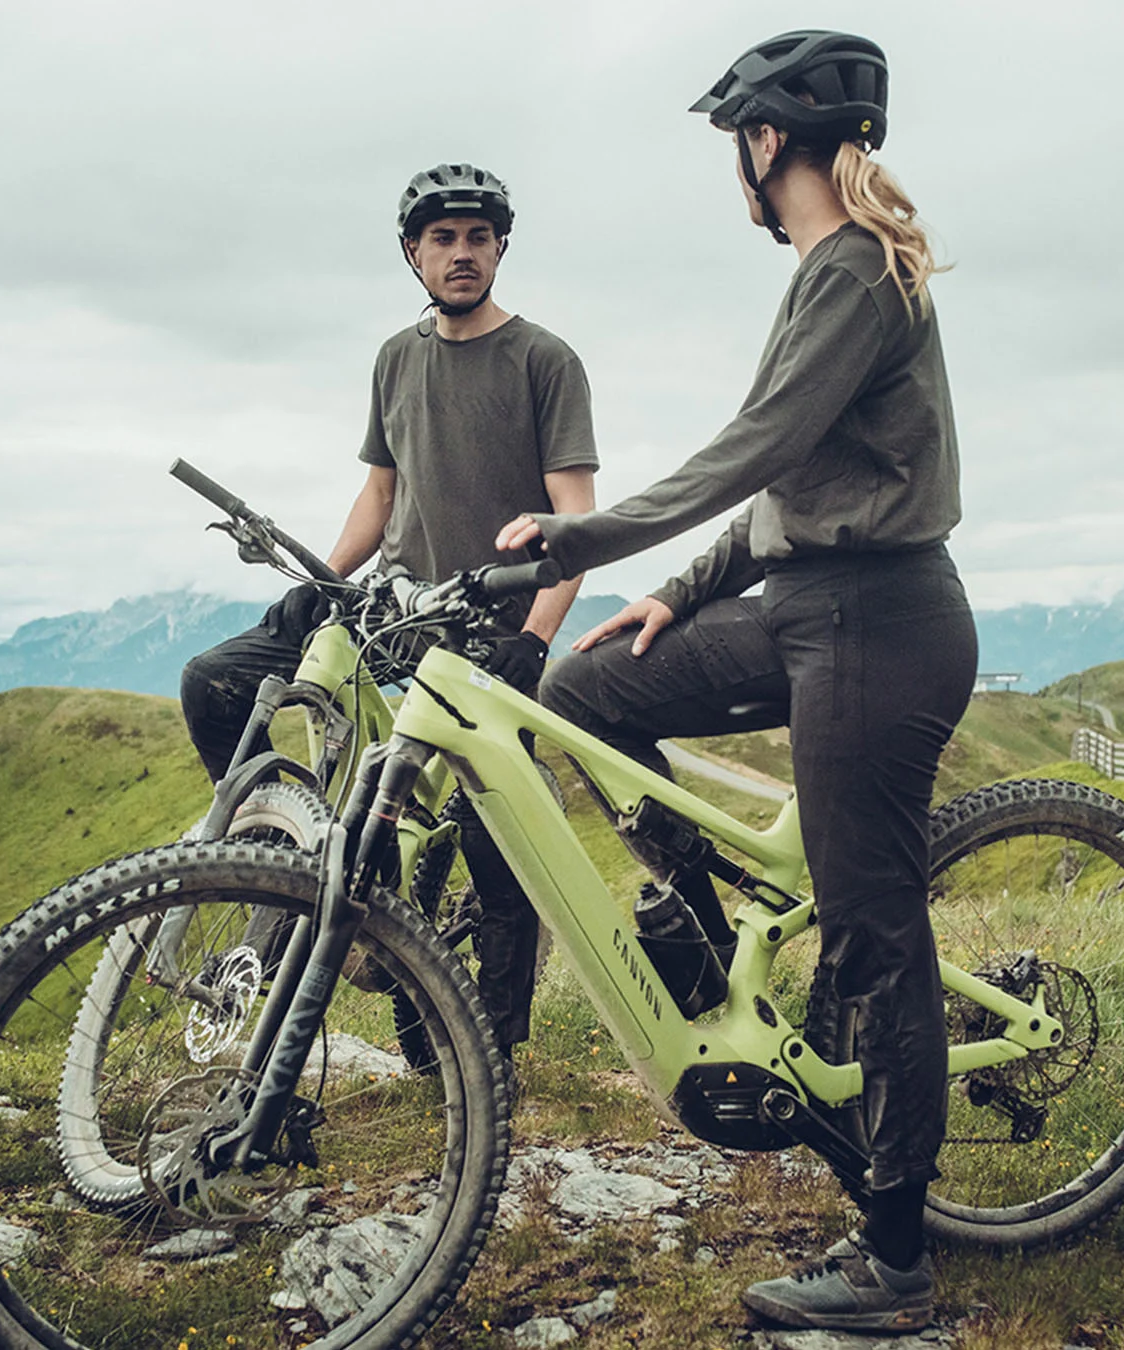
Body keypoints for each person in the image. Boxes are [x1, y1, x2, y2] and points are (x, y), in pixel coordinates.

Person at [496, 31, 972, 1335]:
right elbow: (782, 485)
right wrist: (674, 596)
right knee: (587, 697)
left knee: (879, 940)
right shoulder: (833, 272)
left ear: (770, 142)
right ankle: (708, 944)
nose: (736, 172)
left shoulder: (860, 274)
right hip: (806, 609)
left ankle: (896, 1262)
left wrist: (584, 537)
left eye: (737, 147)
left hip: (882, 624)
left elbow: (754, 445)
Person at [181, 162, 598, 1056]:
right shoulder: (395, 358)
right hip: (391, 616)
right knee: (214, 684)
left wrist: (535, 638)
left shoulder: (545, 361)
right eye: (442, 240)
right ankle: (298, 842)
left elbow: (577, 522)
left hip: (491, 633)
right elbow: (381, 494)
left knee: (497, 847)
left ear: (500, 251)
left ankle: (492, 1048)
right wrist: (324, 580)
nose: (462, 255)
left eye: (478, 239)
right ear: (413, 254)